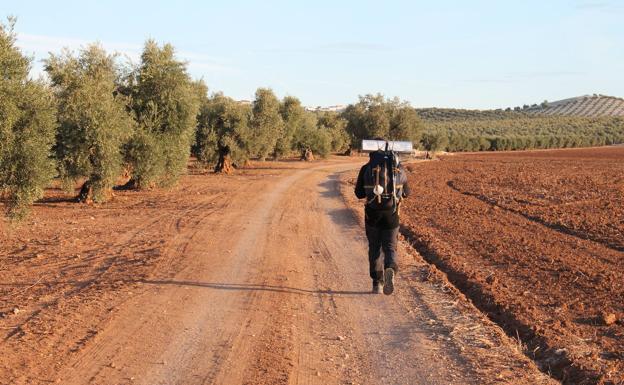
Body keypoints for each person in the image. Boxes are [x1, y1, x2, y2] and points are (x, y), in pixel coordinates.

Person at [354, 148, 410, 295]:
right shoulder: (398, 168)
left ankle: (377, 283)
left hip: (372, 215)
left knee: (375, 248)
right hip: (392, 215)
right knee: (390, 247)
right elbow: (407, 193)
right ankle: (390, 267)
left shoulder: (366, 168)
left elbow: (358, 194)